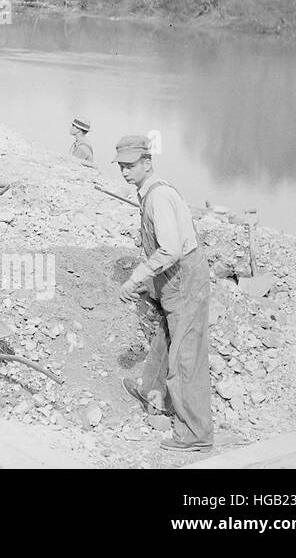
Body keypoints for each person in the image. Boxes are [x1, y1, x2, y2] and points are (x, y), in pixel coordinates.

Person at [114, 134, 213, 452]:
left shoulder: (157, 197)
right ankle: (154, 395)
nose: (126, 172)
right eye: (121, 166)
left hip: (183, 280)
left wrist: (136, 277)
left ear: (147, 162)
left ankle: (195, 433)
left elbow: (170, 248)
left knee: (185, 358)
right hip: (173, 281)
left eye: (131, 165)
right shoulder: (150, 192)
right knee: (164, 341)